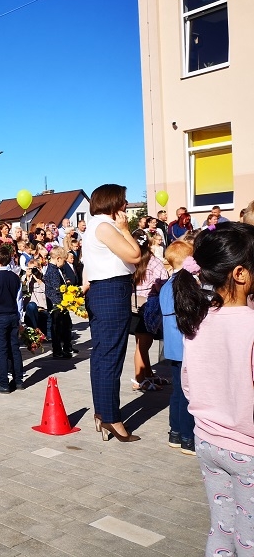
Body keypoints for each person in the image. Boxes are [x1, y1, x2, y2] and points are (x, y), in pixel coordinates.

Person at [171, 222, 254, 557]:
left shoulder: (198, 319)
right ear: (240, 274)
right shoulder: (249, 325)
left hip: (208, 440)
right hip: (248, 449)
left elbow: (188, 381)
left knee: (222, 528)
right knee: (249, 538)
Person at [82, 184, 141, 442]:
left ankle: (102, 412)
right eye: (123, 200)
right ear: (112, 202)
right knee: (110, 358)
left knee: (102, 356)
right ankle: (111, 418)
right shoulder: (106, 226)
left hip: (102, 290)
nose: (126, 204)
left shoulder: (95, 225)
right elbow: (135, 254)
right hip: (111, 290)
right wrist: (126, 230)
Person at [158, 240, 194, 455]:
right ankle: (187, 438)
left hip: (173, 346)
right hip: (183, 345)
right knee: (187, 393)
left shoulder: (167, 284)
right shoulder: (183, 283)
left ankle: (175, 433)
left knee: (178, 392)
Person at [130, 230, 169, 391]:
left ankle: (147, 374)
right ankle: (139, 379)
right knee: (143, 345)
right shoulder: (154, 262)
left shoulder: (129, 260)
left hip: (133, 305)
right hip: (149, 306)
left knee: (142, 342)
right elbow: (163, 284)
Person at [0, 245, 24, 394]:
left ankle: (4, 383)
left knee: (1, 350)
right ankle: (19, 380)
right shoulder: (15, 277)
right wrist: (20, 318)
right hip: (13, 315)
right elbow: (18, 299)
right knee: (14, 348)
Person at [44, 246, 78, 360]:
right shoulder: (52, 270)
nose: (64, 263)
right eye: (63, 261)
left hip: (62, 302)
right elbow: (56, 288)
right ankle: (58, 350)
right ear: (58, 258)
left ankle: (67, 346)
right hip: (56, 303)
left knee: (66, 325)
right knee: (57, 327)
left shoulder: (58, 269)